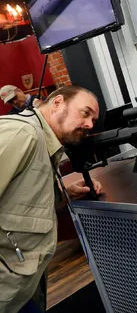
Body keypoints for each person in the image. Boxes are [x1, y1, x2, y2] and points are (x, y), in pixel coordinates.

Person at [0, 85, 104, 313]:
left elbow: (19, 200)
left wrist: (62, 195)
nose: (89, 124)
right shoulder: (22, 135)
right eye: (85, 113)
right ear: (57, 103)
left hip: (21, 287)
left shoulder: (43, 143)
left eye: (93, 120)